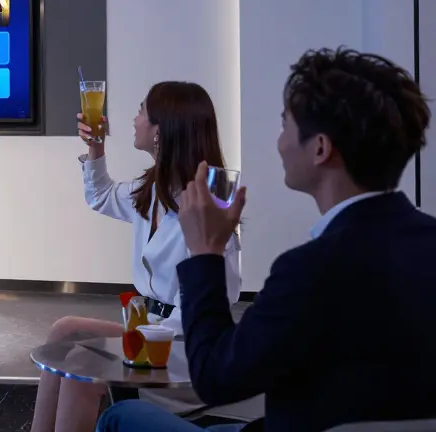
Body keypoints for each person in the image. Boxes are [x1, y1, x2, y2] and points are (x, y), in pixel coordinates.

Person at [98, 48, 436, 432]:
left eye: (285, 125)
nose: (278, 142)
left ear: (320, 149)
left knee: (119, 416)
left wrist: (205, 254)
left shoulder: (306, 272)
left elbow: (216, 377)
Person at [31, 81, 241, 432]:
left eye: (142, 110)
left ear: (161, 130)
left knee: (81, 369)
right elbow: (100, 195)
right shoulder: (153, 191)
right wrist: (95, 148)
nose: (134, 118)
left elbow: (201, 315)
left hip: (182, 351)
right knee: (64, 330)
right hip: (150, 333)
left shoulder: (208, 209)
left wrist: (135, 336)